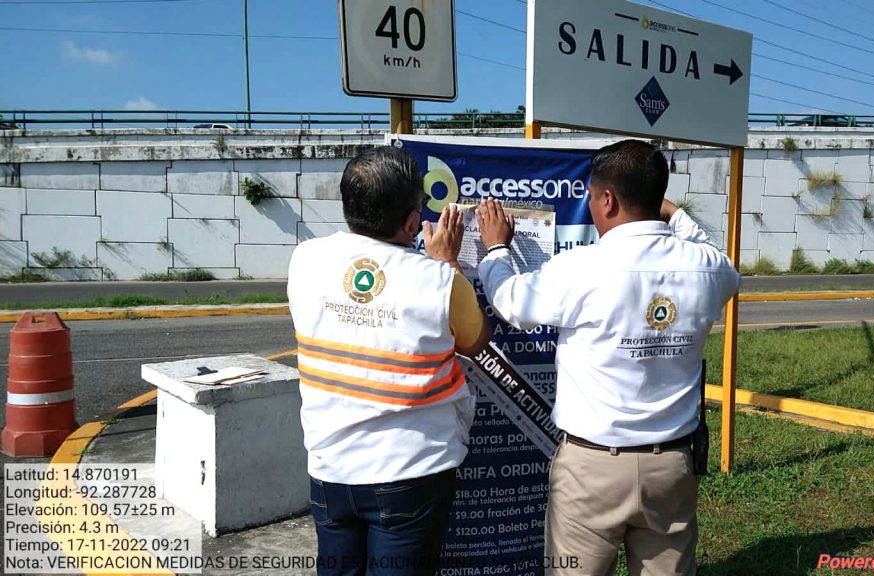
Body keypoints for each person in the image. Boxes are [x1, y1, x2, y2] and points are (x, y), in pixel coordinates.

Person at [475, 140, 739, 576]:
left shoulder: (582, 267)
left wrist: (496, 249)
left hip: (591, 471)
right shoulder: (708, 268)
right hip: (671, 467)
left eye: (592, 196)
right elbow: (716, 256)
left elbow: (511, 300)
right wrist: (668, 209)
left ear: (608, 200)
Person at [287, 146, 491, 576]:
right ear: (413, 221)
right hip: (410, 475)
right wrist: (448, 264)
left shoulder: (304, 259)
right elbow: (475, 342)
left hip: (330, 470)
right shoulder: (438, 281)